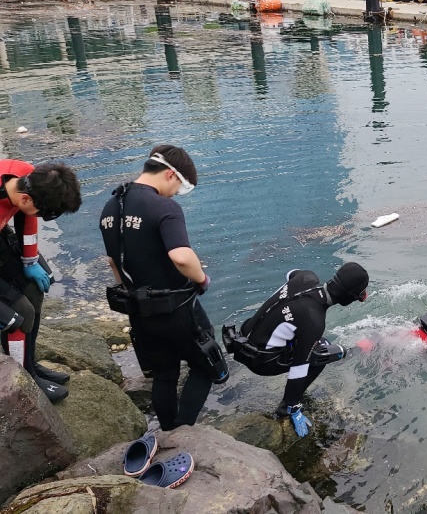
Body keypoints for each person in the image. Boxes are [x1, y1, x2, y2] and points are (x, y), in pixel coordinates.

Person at [100, 145, 219, 431]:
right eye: (180, 186)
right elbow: (181, 255)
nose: (177, 193)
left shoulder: (110, 206)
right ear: (169, 175)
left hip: (139, 310)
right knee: (207, 366)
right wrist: (202, 279)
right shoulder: (164, 207)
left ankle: (166, 433)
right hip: (175, 308)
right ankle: (183, 430)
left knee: (164, 375)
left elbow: (113, 263)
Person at [225, 263, 369, 437]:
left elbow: (290, 274)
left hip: (242, 338)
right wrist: (293, 406)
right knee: (327, 351)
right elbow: (299, 369)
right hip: (260, 361)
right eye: (361, 294)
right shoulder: (313, 320)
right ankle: (286, 407)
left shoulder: (306, 277)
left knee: (311, 339)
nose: (364, 297)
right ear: (349, 297)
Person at [0, 160, 81, 402]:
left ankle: (29, 365)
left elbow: (27, 217)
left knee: (35, 289)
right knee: (17, 312)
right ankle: (20, 380)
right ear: (25, 200)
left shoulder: (27, 175)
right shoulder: (24, 196)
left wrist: (29, 260)